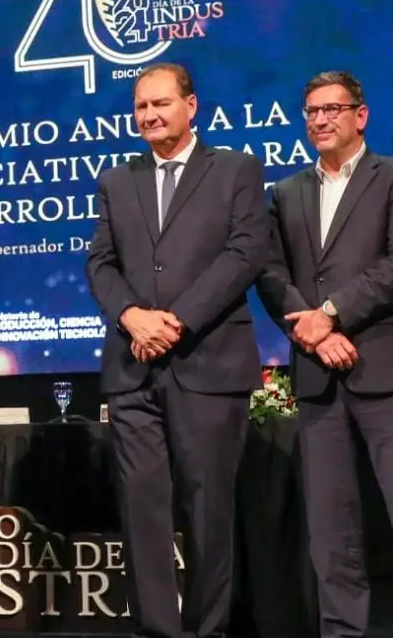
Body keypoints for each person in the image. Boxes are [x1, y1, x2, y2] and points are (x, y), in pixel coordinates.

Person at [256, 70, 393, 638]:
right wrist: (315, 332)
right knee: (330, 533)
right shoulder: (285, 193)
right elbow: (269, 273)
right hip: (319, 378)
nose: (320, 120)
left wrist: (333, 312)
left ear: (360, 116)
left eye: (332, 109)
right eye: (312, 112)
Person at [85, 62, 268, 638]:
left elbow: (245, 253)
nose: (149, 115)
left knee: (209, 509)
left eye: (160, 103)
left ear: (191, 106)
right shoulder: (117, 180)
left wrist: (178, 321)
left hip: (208, 363)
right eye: (141, 107)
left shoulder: (236, 170)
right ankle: (158, 630)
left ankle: (208, 629)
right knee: (142, 510)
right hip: (132, 367)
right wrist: (132, 316)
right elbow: (100, 262)